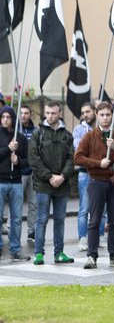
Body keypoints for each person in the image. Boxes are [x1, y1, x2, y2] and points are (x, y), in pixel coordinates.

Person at [74, 101, 114, 269]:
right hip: (96, 181)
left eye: (108, 115)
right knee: (94, 220)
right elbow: (78, 158)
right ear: (97, 116)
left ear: (112, 116)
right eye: (102, 115)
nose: (105, 118)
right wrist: (98, 163)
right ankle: (92, 256)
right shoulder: (90, 136)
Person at [28, 101, 75, 265]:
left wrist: (62, 176)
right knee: (41, 219)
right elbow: (33, 159)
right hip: (43, 184)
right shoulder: (37, 134)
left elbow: (71, 158)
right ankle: (38, 254)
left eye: (53, 113)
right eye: (47, 113)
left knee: (60, 220)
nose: (50, 116)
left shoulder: (67, 135)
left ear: (59, 113)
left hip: (62, 183)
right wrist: (49, 177)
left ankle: (59, 253)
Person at [72, 101, 105, 251]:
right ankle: (83, 238)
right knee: (84, 208)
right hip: (85, 173)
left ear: (95, 112)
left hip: (102, 173)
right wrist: (97, 156)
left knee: (101, 208)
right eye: (83, 112)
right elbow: (80, 150)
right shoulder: (78, 129)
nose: (85, 114)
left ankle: (100, 236)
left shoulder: (104, 129)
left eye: (88, 111)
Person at [0, 106, 30, 262]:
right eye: (3, 117)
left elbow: (27, 161)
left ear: (12, 119)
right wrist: (8, 149)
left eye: (8, 117)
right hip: (0, 181)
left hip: (16, 182)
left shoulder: (21, 138)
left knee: (17, 219)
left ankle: (15, 249)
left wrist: (18, 161)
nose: (5, 119)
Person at [18, 105, 37, 245]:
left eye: (26, 113)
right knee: (17, 204)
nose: (23, 115)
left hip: (34, 172)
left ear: (30, 115)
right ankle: (13, 229)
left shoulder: (35, 131)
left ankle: (31, 231)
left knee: (33, 203)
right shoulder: (15, 131)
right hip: (19, 171)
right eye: (21, 113)